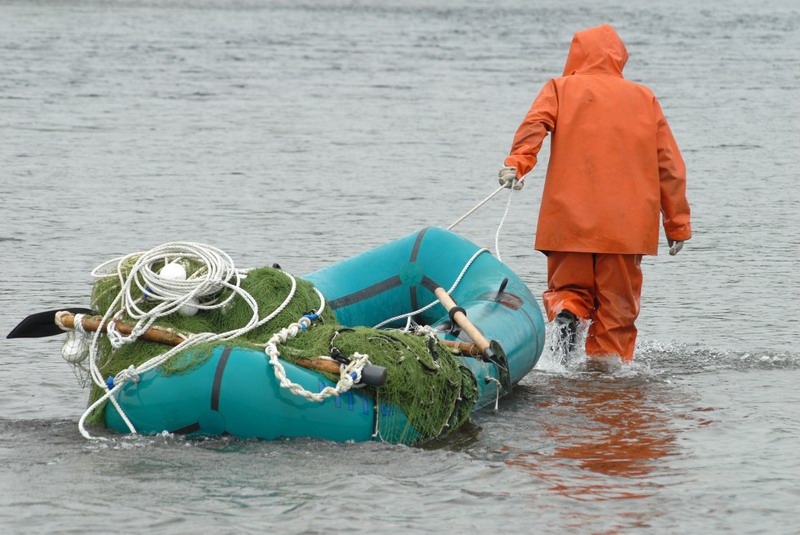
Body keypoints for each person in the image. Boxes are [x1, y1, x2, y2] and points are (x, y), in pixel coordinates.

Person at [498, 24, 691, 363]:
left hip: (567, 221)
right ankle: (606, 381)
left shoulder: (559, 88)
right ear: (619, 59)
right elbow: (669, 165)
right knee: (617, 309)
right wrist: (677, 225)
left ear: (576, 54)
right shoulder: (644, 98)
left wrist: (517, 164)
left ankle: (567, 318)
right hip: (625, 226)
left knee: (569, 292)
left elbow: (535, 125)